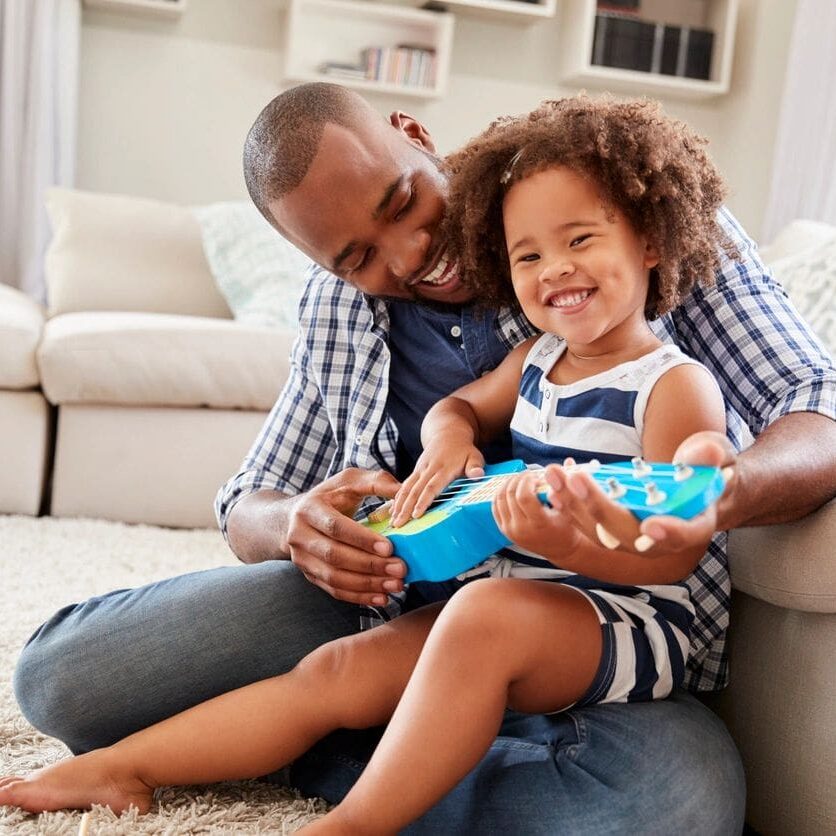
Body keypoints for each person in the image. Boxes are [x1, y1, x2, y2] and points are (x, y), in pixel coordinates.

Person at [7, 82, 835, 834]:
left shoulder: (622, 209)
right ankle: (256, 751)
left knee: (675, 805)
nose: (403, 258)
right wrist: (295, 523)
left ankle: (354, 775)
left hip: (587, 623)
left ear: (414, 134)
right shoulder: (383, 313)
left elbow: (812, 403)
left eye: (403, 202)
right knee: (65, 684)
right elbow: (251, 496)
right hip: (400, 601)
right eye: (357, 257)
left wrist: (717, 489)